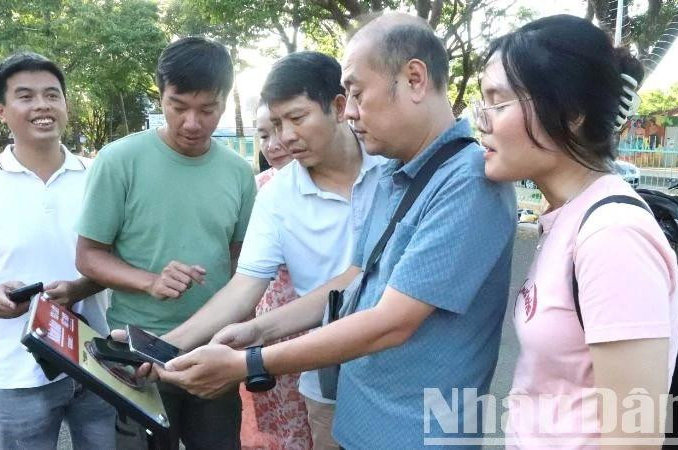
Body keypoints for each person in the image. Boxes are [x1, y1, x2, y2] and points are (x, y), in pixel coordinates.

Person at [149, 13, 517, 449]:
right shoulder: (396, 174)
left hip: (416, 433)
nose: (352, 111)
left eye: (357, 93)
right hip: (359, 421)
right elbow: (352, 280)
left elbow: (391, 323)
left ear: (415, 79)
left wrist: (249, 363)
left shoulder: (465, 181)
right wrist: (256, 332)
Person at [144, 51, 385, 450]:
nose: (285, 137)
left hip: (403, 364)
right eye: (275, 125)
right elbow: (244, 287)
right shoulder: (276, 197)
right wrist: (164, 347)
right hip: (327, 373)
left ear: (339, 106)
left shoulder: (391, 167)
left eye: (297, 118)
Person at [475, 15, 678, 447]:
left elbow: (634, 439)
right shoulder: (566, 217)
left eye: (498, 102)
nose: (482, 120)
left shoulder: (612, 237)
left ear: (571, 113)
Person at [74, 37, 256, 449]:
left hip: (212, 350)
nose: (192, 122)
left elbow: (242, 267)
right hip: (138, 353)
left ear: (224, 102)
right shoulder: (118, 161)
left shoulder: (238, 173)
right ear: (161, 95)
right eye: (178, 106)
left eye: (207, 109)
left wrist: (238, 334)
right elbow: (88, 256)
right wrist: (150, 281)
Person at [0, 52, 115, 450]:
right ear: (1, 111)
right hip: (16, 370)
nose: (42, 106)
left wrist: (81, 287)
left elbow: (120, 256)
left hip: (98, 358)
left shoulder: (99, 175)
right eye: (25, 96)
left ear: (66, 104)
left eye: (52, 94)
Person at [238, 101, 312, 450]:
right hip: (270, 324)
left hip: (316, 321)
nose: (273, 144)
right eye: (264, 134)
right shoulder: (260, 187)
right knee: (284, 419)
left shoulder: (334, 183)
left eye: (281, 129)